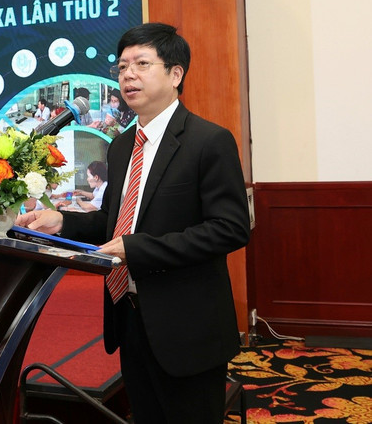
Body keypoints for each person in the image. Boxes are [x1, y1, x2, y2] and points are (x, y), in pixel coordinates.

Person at [16, 22, 250, 423]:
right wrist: (62, 222)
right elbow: (115, 222)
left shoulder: (208, 141)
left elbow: (229, 228)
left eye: (142, 64)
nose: (128, 75)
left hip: (186, 324)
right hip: (129, 314)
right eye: (122, 66)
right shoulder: (123, 145)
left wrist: (136, 249)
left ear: (175, 74)